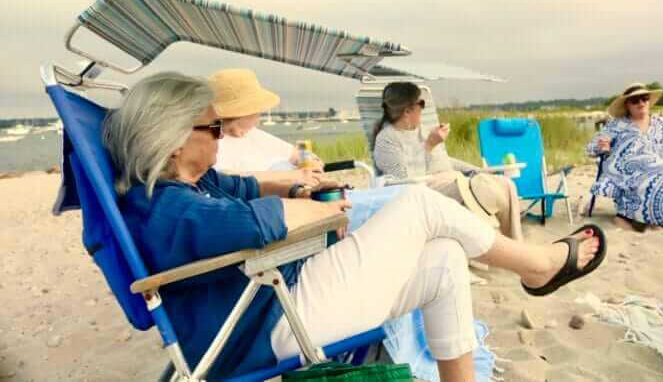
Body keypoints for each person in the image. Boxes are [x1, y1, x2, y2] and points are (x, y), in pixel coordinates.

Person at [103, 72, 605, 382]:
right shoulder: (174, 211)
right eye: (213, 127)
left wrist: (299, 186)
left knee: (446, 256)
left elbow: (251, 186)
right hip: (267, 325)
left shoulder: (195, 184)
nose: (220, 137)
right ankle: (536, 265)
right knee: (418, 204)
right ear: (174, 140)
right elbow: (271, 219)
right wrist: (325, 211)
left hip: (277, 300)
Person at [371, 81, 524, 241]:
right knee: (489, 189)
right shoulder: (387, 140)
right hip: (429, 189)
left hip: (456, 181)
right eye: (421, 103)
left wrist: (478, 170)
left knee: (506, 184)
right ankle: (498, 244)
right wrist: (429, 145)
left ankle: (516, 243)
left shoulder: (421, 130)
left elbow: (444, 161)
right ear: (407, 111)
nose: (423, 108)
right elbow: (407, 182)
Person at [586, 83, 663, 232]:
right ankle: (639, 220)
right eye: (635, 100)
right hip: (631, 167)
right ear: (627, 105)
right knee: (652, 181)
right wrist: (602, 147)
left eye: (644, 98)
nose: (641, 103)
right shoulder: (616, 125)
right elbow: (591, 148)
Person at [210, 68, 325, 191]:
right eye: (257, 110)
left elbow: (294, 153)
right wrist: (294, 175)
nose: (259, 116)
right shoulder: (211, 139)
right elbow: (226, 178)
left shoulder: (251, 133)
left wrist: (311, 161)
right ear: (242, 114)